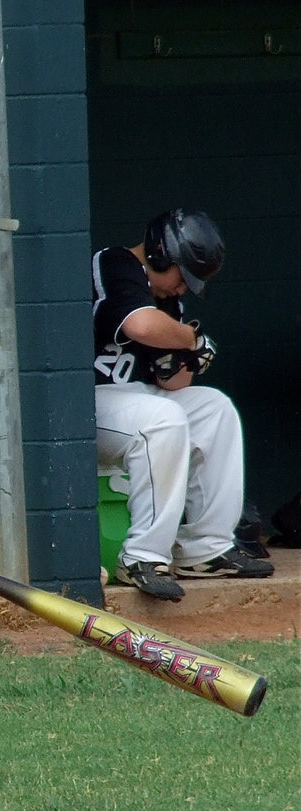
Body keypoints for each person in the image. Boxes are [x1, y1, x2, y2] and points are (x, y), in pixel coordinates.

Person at [91, 207, 273, 600]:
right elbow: (141, 325)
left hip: (135, 401)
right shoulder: (115, 263)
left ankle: (205, 550)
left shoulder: (168, 299)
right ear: (159, 252)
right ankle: (142, 556)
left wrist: (189, 357)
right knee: (163, 418)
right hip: (87, 402)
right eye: (182, 276)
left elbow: (173, 383)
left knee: (214, 408)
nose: (182, 289)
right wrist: (191, 340)